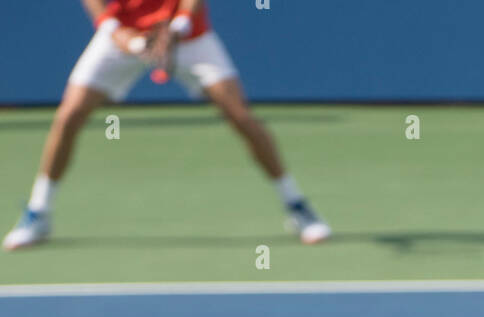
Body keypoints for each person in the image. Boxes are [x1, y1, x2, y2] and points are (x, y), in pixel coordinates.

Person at [3, 0, 329, 251]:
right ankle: (39, 211)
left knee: (241, 117)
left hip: (188, 38)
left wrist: (178, 27)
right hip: (123, 35)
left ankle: (295, 203)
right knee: (69, 114)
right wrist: (125, 38)